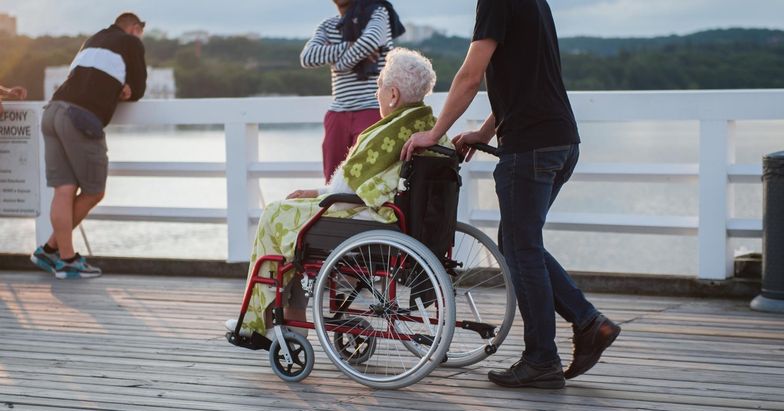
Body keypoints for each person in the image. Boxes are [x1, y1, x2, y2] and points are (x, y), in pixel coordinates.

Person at [401, 0, 621, 388]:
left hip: (530, 146)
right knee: (520, 244)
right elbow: (521, 81)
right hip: (561, 141)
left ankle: (542, 358)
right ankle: (589, 324)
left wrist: (434, 133)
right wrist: (485, 133)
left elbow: (471, 75)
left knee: (521, 247)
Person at [227, 48, 447, 345]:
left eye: (380, 85)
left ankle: (262, 320)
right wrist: (317, 193)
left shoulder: (387, 132)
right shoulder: (428, 126)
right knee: (293, 216)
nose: (377, 93)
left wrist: (319, 194)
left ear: (393, 95)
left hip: (371, 220)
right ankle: (289, 319)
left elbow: (345, 189)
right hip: (401, 221)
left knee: (276, 214)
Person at [31, 12, 147, 279]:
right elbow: (138, 90)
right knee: (94, 191)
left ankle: (55, 254)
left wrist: (117, 86)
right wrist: (126, 89)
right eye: (141, 32)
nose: (140, 38)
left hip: (52, 111)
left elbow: (84, 78)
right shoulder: (131, 42)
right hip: (79, 117)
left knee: (64, 190)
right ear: (134, 28)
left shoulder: (92, 40)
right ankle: (61, 256)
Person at [301, 0, 405, 182]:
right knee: (333, 179)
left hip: (373, 109)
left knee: (368, 177)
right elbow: (308, 57)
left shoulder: (378, 12)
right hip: (338, 113)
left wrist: (340, 64)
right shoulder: (328, 25)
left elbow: (370, 41)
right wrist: (350, 46)